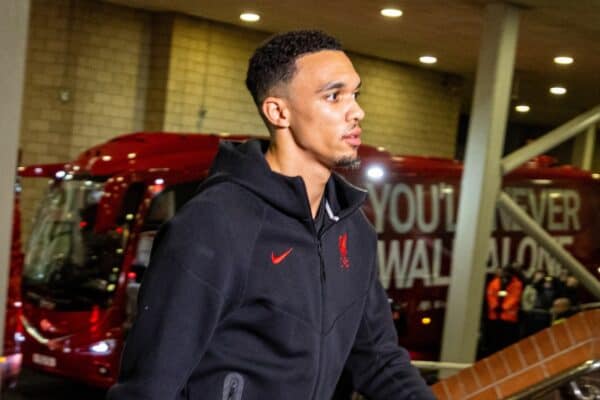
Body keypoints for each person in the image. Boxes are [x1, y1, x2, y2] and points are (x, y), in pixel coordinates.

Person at [108, 30, 435, 400]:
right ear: (278, 111)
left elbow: (379, 360)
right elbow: (150, 387)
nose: (356, 111)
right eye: (334, 96)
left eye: (355, 94)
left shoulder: (353, 230)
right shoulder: (214, 225)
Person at [485, 265, 523, 354]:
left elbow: (514, 297)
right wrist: (494, 306)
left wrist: (503, 307)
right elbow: (490, 294)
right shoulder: (495, 282)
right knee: (493, 339)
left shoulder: (517, 284)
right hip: (494, 316)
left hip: (508, 318)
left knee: (505, 340)